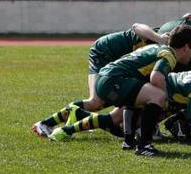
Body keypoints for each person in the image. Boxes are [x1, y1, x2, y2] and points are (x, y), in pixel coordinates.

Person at [47, 25, 191, 157]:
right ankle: (144, 146)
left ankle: (68, 131)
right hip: (113, 80)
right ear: (185, 46)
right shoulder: (169, 55)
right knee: (158, 95)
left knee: (125, 110)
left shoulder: (157, 48)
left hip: (108, 78)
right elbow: (156, 78)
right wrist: (164, 98)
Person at [30, 22, 166, 138]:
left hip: (120, 66)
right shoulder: (163, 36)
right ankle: (45, 123)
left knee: (124, 99)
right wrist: (159, 38)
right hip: (104, 52)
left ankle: (80, 116)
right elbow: (136, 26)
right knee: (96, 102)